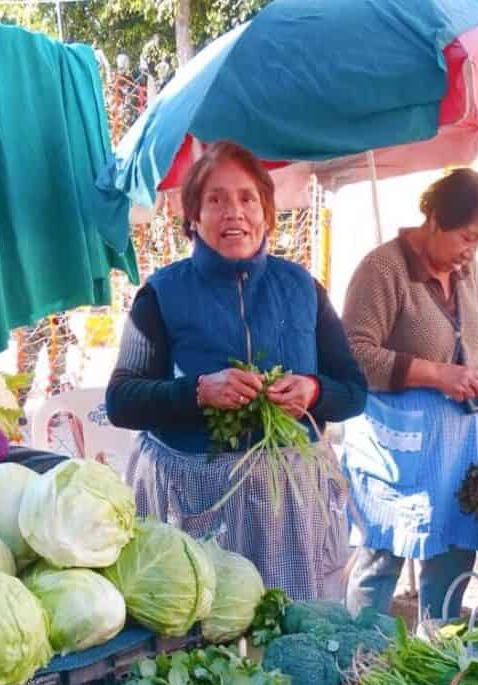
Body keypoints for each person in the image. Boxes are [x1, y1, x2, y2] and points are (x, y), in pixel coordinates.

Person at [106, 141, 367, 600]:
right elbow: (122, 400)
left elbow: (353, 390)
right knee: (203, 631)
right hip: (195, 498)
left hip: (287, 498)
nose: (234, 212)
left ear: (267, 211)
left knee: (287, 623)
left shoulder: (302, 289)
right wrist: (198, 393)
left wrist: (311, 390)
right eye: (216, 200)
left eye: (247, 198)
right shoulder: (163, 294)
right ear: (193, 218)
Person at [340, 168, 478, 623]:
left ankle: (438, 663)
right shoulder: (383, 269)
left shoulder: (468, 270)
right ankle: (359, 661)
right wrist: (436, 374)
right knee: (382, 557)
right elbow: (354, 355)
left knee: (453, 554)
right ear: (434, 218)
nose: (471, 252)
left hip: (458, 446)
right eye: (466, 238)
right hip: (396, 448)